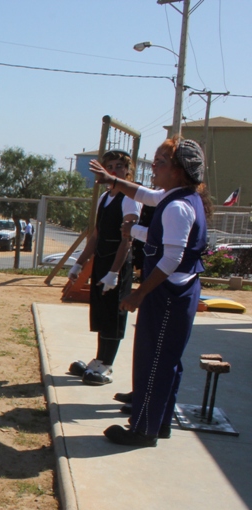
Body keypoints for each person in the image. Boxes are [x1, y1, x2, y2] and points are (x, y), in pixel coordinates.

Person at [89, 137, 211, 448]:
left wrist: (139, 294)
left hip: (167, 294)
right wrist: (113, 181)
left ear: (179, 171)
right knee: (166, 360)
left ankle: (143, 430)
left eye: (161, 162)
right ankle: (159, 423)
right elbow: (148, 196)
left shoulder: (178, 207)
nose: (153, 166)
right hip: (178, 290)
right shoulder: (179, 196)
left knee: (153, 361)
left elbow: (171, 259)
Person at [65, 150, 141, 386]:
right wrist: (79, 263)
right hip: (102, 260)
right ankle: (98, 359)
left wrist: (114, 272)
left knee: (114, 314)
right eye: (110, 166)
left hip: (118, 263)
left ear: (127, 171)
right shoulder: (105, 198)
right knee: (101, 313)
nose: (114, 170)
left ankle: (107, 365)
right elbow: (96, 235)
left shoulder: (130, 198)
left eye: (119, 166)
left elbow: (127, 239)